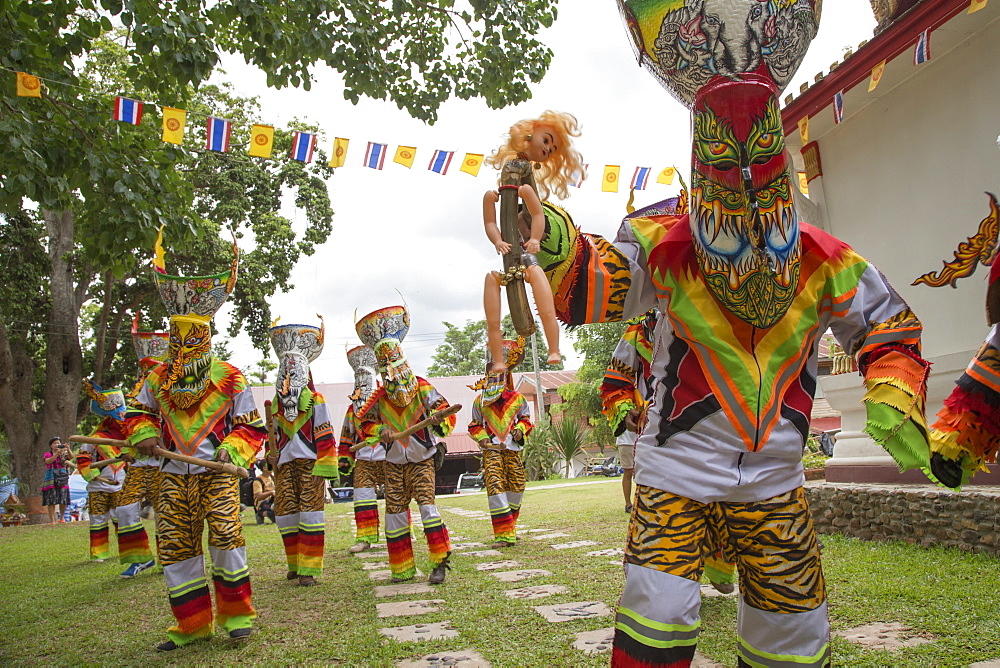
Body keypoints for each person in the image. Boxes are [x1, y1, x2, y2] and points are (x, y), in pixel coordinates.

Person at [536, 3, 941, 664]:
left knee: (795, 634)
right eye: (724, 155)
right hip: (674, 472)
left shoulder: (822, 256)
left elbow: (887, 326)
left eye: (760, 154)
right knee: (658, 621)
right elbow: (588, 286)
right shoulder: (661, 237)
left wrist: (894, 391)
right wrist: (548, 238)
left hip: (776, 477)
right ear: (699, 157)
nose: (746, 178)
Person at [127, 232, 265, 651]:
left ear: (206, 338)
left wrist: (231, 450)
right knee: (176, 548)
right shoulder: (155, 378)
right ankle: (192, 624)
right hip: (172, 477)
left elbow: (252, 427)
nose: (184, 347)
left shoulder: (231, 377)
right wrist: (147, 435)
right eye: (177, 337)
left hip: (217, 475)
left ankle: (237, 617)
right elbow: (137, 414)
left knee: (226, 538)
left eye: (192, 338)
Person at [356, 305, 455, 584]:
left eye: (394, 363)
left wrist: (437, 420)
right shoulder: (379, 398)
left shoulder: (423, 387)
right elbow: (365, 426)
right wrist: (381, 431)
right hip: (394, 465)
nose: (392, 372)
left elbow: (447, 413)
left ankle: (439, 561)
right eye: (385, 367)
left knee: (427, 507)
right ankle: (401, 567)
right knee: (395, 514)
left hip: (422, 460)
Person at [481, 110, 584, 372]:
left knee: (542, 295)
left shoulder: (526, 190)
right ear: (528, 134)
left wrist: (535, 238)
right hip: (506, 257)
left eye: (552, 148)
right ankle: (499, 358)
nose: (548, 148)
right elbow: (490, 224)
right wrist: (497, 242)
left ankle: (553, 349)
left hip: (526, 255)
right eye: (546, 140)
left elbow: (537, 214)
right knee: (492, 313)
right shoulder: (492, 196)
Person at [267, 318, 337, 586]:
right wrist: (270, 456)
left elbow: (326, 437)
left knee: (310, 513)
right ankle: (294, 563)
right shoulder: (274, 405)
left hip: (311, 465)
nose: (288, 378)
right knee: (285, 513)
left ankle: (308, 568)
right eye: (284, 372)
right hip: (284, 467)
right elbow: (270, 439)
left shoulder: (317, 401)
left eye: (294, 372)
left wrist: (325, 468)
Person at [115, 313, 169, 578]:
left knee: (165, 514)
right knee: (124, 509)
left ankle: (167, 558)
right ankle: (139, 558)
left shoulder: (174, 393)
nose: (149, 374)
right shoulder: (135, 401)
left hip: (164, 466)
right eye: (146, 369)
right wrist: (134, 444)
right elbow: (132, 426)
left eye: (154, 368)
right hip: (138, 467)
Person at [467, 337, 532, 549]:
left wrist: (520, 431)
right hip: (492, 451)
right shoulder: (479, 401)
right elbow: (474, 425)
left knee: (517, 488)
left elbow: (526, 419)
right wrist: (483, 438)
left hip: (512, 451)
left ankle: (510, 525)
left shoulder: (517, 398)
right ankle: (503, 534)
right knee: (495, 486)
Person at [339, 344, 386, 554]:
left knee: (397, 495)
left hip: (389, 457)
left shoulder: (387, 403)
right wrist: (344, 458)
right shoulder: (352, 410)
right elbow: (346, 436)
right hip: (364, 461)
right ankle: (365, 538)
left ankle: (403, 530)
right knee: (362, 497)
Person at [77, 380, 128, 562]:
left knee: (121, 519)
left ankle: (125, 551)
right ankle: (99, 553)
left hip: (120, 486)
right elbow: (83, 458)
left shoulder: (129, 439)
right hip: (98, 487)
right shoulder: (96, 438)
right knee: (98, 519)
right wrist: (93, 476)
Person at [42, 437, 72, 524]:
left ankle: (62, 517)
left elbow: (71, 457)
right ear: (50, 446)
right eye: (54, 443)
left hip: (62, 476)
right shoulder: (47, 454)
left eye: (58, 443)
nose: (57, 445)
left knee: (63, 498)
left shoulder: (63, 453)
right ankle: (52, 520)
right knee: (51, 499)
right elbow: (48, 461)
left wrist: (68, 449)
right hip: (51, 477)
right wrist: (56, 454)